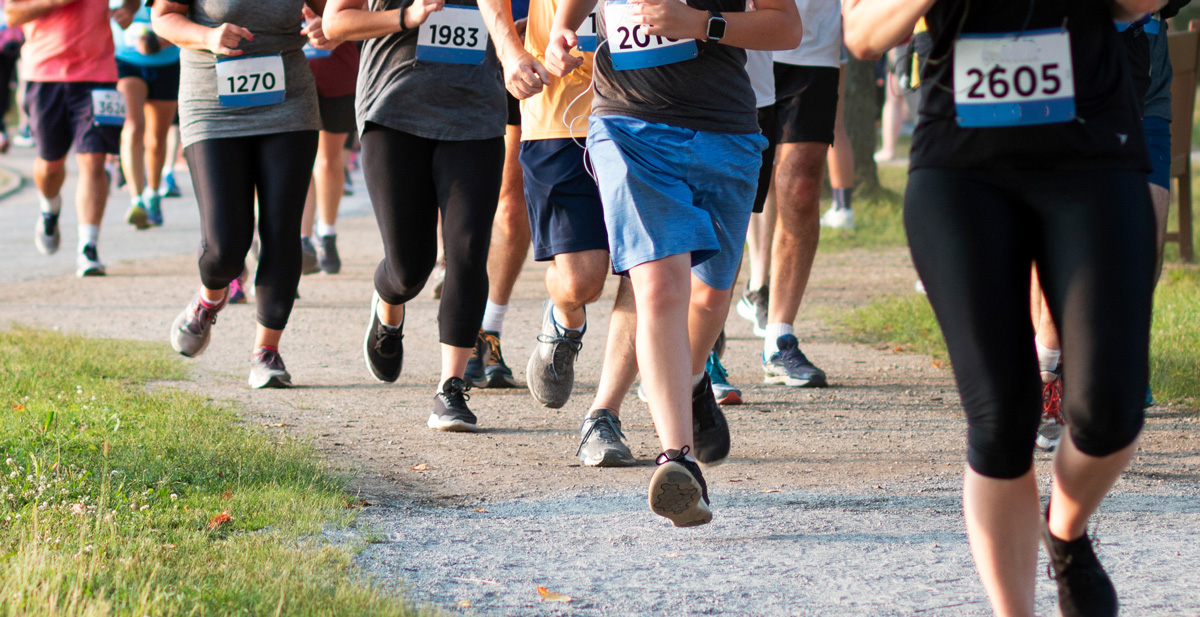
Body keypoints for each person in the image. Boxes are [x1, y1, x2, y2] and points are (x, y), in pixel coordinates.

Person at [846, 1, 1161, 616]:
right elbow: (861, 33)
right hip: (962, 172)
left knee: (1110, 410)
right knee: (1002, 420)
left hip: (1092, 157)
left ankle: (1066, 534)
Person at [545, 0, 800, 525]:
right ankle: (677, 460)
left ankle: (685, 382)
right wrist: (564, 30)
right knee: (659, 286)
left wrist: (703, 25)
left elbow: (787, 27)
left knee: (710, 295)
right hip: (628, 127)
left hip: (726, 131)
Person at [325, 0, 534, 432]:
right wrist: (406, 16)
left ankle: (451, 388)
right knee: (407, 270)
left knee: (468, 249)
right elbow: (336, 23)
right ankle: (388, 307)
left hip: (477, 116)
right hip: (394, 111)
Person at [154, 0, 330, 388]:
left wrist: (323, 24)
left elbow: (332, 12)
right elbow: (163, 18)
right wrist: (208, 35)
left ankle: (266, 352)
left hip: (288, 101)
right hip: (211, 104)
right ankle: (208, 299)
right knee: (224, 247)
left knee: (283, 231)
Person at [740, 0, 842, 389]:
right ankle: (704, 347)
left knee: (801, 188)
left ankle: (779, 338)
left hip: (814, 43)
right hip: (741, 38)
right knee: (734, 185)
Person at [9, 0, 139, 277]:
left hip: (98, 75)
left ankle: (88, 247)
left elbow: (133, 1)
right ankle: (49, 209)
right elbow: (11, 14)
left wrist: (129, 9)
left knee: (94, 159)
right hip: (44, 74)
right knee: (50, 163)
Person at [463, 0, 530, 390]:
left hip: (567, 50)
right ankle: (481, 328)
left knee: (513, 202)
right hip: (476, 49)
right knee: (497, 200)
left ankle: (491, 330)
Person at [114, 1, 180, 229]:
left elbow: (192, 22)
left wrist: (158, 42)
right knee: (133, 126)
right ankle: (136, 200)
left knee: (156, 139)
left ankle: (153, 194)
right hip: (127, 62)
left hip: (167, 63)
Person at [299, 39, 359, 275]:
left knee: (328, 162)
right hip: (290, 74)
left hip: (338, 71)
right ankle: (303, 240)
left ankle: (327, 234)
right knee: (300, 163)